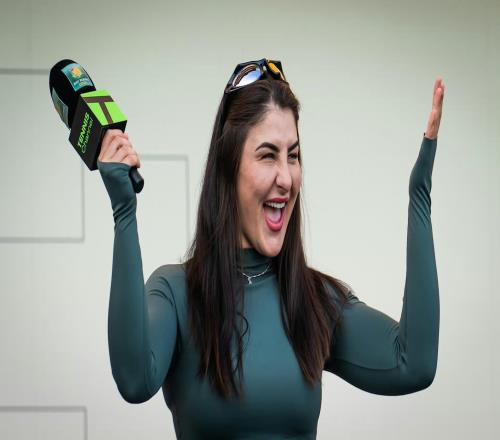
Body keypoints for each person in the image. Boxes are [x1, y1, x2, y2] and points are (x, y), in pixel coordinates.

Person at [97, 58, 444, 439]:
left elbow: (413, 364)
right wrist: (124, 213)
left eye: (292, 155)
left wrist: (420, 197)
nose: (286, 178)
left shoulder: (314, 301)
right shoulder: (177, 293)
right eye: (267, 155)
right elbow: (134, 380)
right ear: (228, 168)